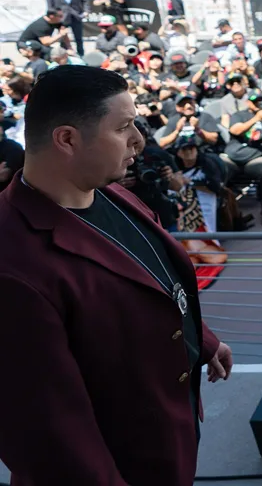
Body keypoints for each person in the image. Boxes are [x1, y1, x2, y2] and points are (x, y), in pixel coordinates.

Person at [0, 65, 232, 485]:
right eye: (124, 127)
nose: (140, 141)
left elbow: (147, 279)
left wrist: (201, 337)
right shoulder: (11, 263)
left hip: (167, 440)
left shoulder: (111, 192)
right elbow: (47, 431)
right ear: (67, 139)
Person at [223, 89, 262, 226]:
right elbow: (235, 130)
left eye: (259, 100)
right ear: (247, 102)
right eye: (254, 101)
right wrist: (256, 118)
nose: (257, 103)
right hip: (233, 156)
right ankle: (225, 212)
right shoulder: (239, 115)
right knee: (218, 169)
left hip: (255, 157)